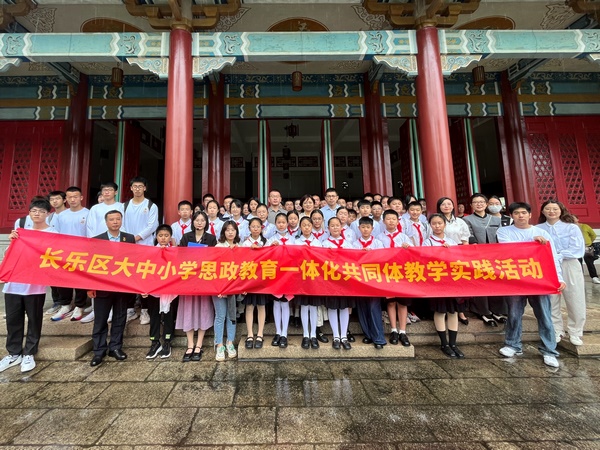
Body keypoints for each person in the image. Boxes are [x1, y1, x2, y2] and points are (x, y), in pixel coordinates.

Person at [496, 202, 565, 368]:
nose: (520, 216)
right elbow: (509, 250)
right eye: (516, 213)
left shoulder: (542, 233)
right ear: (511, 216)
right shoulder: (503, 232)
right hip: (514, 279)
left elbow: (552, 256)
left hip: (538, 279)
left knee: (544, 314)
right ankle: (513, 344)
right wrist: (531, 243)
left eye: (523, 213)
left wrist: (558, 278)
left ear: (530, 215)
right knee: (514, 313)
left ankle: (549, 351)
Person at [0, 198, 57, 373]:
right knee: (13, 319)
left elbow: (56, 257)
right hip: (14, 284)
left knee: (34, 319)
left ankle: (29, 353)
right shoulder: (21, 232)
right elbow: (9, 255)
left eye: (41, 211)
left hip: (35, 286)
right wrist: (12, 241)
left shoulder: (53, 234)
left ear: (48, 214)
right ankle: (13, 353)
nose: (37, 214)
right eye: (34, 211)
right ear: (29, 213)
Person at [88, 210, 136, 367]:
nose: (115, 222)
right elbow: (91, 264)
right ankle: (98, 351)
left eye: (118, 219)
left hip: (122, 286)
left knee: (120, 318)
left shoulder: (129, 238)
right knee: (100, 319)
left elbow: (134, 260)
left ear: (121, 221)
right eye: (111, 219)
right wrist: (90, 286)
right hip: (102, 286)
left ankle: (115, 347)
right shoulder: (97, 240)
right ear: (106, 222)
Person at [537, 200, 586, 346]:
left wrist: (558, 255)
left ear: (561, 210)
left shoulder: (571, 227)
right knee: (551, 299)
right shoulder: (538, 229)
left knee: (575, 298)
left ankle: (575, 332)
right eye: (548, 209)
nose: (551, 211)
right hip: (547, 266)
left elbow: (577, 249)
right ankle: (556, 330)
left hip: (569, 263)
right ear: (543, 211)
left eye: (555, 209)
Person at [178, 211, 217, 362]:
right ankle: (190, 344)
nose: (199, 223)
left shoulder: (211, 238)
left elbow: (215, 258)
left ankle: (199, 344)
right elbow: (179, 256)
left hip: (204, 279)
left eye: (202, 220)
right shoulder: (186, 237)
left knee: (203, 310)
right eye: (197, 220)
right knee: (188, 309)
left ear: (206, 222)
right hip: (188, 280)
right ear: (192, 222)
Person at [424, 213, 464, 358]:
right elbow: (424, 260)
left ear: (445, 225)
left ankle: (453, 343)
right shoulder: (427, 242)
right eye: (434, 223)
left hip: (452, 281)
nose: (437, 226)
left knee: (453, 312)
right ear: (430, 226)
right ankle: (444, 343)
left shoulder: (452, 241)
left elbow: (460, 260)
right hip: (437, 281)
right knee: (440, 311)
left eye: (440, 223)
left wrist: (450, 252)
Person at [462, 193, 504, 327]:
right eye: (475, 202)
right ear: (471, 205)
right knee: (481, 283)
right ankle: (483, 311)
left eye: (481, 202)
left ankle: (497, 310)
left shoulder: (496, 220)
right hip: (477, 256)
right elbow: (469, 235)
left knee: (496, 282)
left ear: (486, 204)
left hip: (495, 256)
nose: (479, 204)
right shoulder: (467, 220)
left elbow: (501, 236)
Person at [123, 176, 160, 325]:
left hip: (146, 247)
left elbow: (152, 226)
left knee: (145, 278)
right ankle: (130, 309)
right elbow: (121, 224)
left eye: (140, 186)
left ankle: (145, 310)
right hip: (128, 247)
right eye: (135, 186)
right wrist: (128, 238)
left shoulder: (151, 206)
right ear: (131, 188)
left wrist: (136, 237)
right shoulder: (124, 206)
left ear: (145, 188)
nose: (137, 189)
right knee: (129, 276)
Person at [52, 186, 90, 321]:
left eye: (75, 197)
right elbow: (55, 233)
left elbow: (90, 233)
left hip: (82, 252)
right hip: (64, 252)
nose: (73, 200)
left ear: (81, 198)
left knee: (80, 280)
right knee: (63, 279)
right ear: (66, 199)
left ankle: (79, 306)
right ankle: (65, 305)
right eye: (70, 197)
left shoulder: (88, 213)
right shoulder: (61, 215)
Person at [378, 209, 413, 346]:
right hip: (387, 273)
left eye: (394, 219)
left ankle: (403, 331)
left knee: (402, 303)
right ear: (383, 221)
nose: (391, 221)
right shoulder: (379, 238)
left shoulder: (404, 237)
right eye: (388, 219)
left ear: (398, 221)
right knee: (391, 302)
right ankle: (393, 329)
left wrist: (407, 249)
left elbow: (413, 254)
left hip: (402, 274)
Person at [143, 224, 178, 359]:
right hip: (153, 290)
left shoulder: (175, 251)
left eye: (166, 236)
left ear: (170, 237)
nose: (163, 238)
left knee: (169, 316)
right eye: (160, 236)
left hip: (169, 290)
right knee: (154, 316)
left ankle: (167, 342)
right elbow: (144, 272)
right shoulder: (150, 252)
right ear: (156, 237)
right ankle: (155, 342)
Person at [353, 217, 387, 349]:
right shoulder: (354, 244)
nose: (365, 230)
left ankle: (378, 338)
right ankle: (367, 334)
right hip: (359, 280)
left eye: (368, 227)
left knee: (374, 307)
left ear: (372, 228)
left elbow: (383, 259)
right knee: (362, 308)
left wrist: (371, 255)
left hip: (374, 281)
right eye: (363, 227)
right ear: (359, 228)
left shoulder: (378, 243)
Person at [321, 216, 355, 350]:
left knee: (344, 307)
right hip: (331, 281)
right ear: (328, 228)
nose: (335, 228)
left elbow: (354, 260)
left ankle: (344, 336)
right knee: (333, 307)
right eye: (332, 226)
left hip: (345, 281)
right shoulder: (324, 244)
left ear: (341, 227)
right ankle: (336, 336)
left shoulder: (348, 244)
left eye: (337, 225)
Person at [436, 197, 471, 325]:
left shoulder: (460, 222)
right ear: (439, 207)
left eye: (449, 204)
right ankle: (444, 310)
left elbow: (465, 240)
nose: (446, 206)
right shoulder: (435, 220)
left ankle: (460, 311)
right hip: (440, 255)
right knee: (444, 282)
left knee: (458, 282)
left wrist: (465, 256)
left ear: (453, 206)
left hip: (457, 254)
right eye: (443, 204)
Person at [293, 216, 324, 349]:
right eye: (304, 225)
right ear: (300, 227)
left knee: (313, 307)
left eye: (308, 225)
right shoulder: (296, 242)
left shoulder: (317, 242)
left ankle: (313, 335)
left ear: (312, 227)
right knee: (304, 306)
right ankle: (306, 334)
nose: (306, 228)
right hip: (301, 279)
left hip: (314, 279)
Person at [213, 221, 241, 361]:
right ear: (223, 232)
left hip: (233, 287)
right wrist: (218, 287)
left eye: (233, 230)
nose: (230, 232)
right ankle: (219, 345)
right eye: (227, 230)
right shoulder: (218, 247)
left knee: (231, 315)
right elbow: (214, 268)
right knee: (220, 316)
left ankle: (230, 343)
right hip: (219, 287)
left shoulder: (240, 247)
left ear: (236, 232)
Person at [241, 217, 270, 350]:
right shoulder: (245, 243)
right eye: (253, 226)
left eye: (258, 226)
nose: (255, 229)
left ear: (261, 228)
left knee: (261, 306)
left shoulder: (266, 242)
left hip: (262, 280)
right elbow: (241, 261)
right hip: (249, 280)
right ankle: (250, 334)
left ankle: (260, 333)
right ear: (249, 228)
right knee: (249, 306)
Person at [268, 213, 295, 348]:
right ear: (275, 224)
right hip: (275, 275)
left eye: (283, 222)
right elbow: (265, 256)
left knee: (285, 303)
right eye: (278, 222)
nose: (281, 225)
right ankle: (278, 332)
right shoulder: (271, 239)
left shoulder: (293, 239)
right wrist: (271, 248)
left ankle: (284, 333)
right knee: (276, 303)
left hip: (288, 275)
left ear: (287, 224)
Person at [574, 214, 600, 284]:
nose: (572, 219)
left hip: (587, 247)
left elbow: (593, 235)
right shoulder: (570, 228)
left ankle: (594, 277)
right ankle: (580, 278)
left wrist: (589, 242)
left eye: (574, 218)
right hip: (576, 248)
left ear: (577, 219)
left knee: (590, 263)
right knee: (578, 263)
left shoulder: (585, 226)